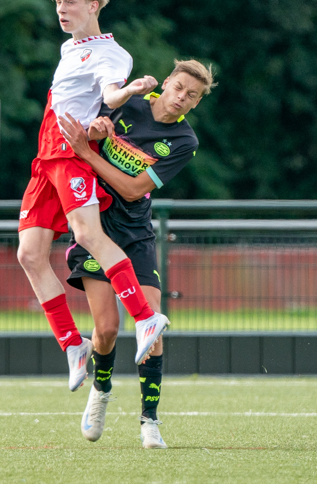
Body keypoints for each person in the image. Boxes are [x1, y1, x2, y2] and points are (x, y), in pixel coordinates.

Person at [17, 0, 170, 392]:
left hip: (70, 155)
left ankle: (146, 317)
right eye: (58, 3)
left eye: (70, 2)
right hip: (45, 159)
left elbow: (110, 93)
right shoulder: (70, 48)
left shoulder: (112, 53)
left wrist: (131, 90)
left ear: (95, 5)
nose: (61, 10)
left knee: (86, 234)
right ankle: (72, 344)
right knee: (29, 254)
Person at [58, 59, 214, 449]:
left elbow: (132, 189)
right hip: (95, 229)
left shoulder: (184, 142)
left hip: (136, 235)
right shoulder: (129, 101)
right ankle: (101, 391)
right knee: (107, 330)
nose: (182, 98)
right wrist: (94, 133)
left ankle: (150, 420)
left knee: (152, 330)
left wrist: (89, 154)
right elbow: (91, 127)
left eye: (192, 96)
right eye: (179, 88)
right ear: (167, 83)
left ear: (196, 103)